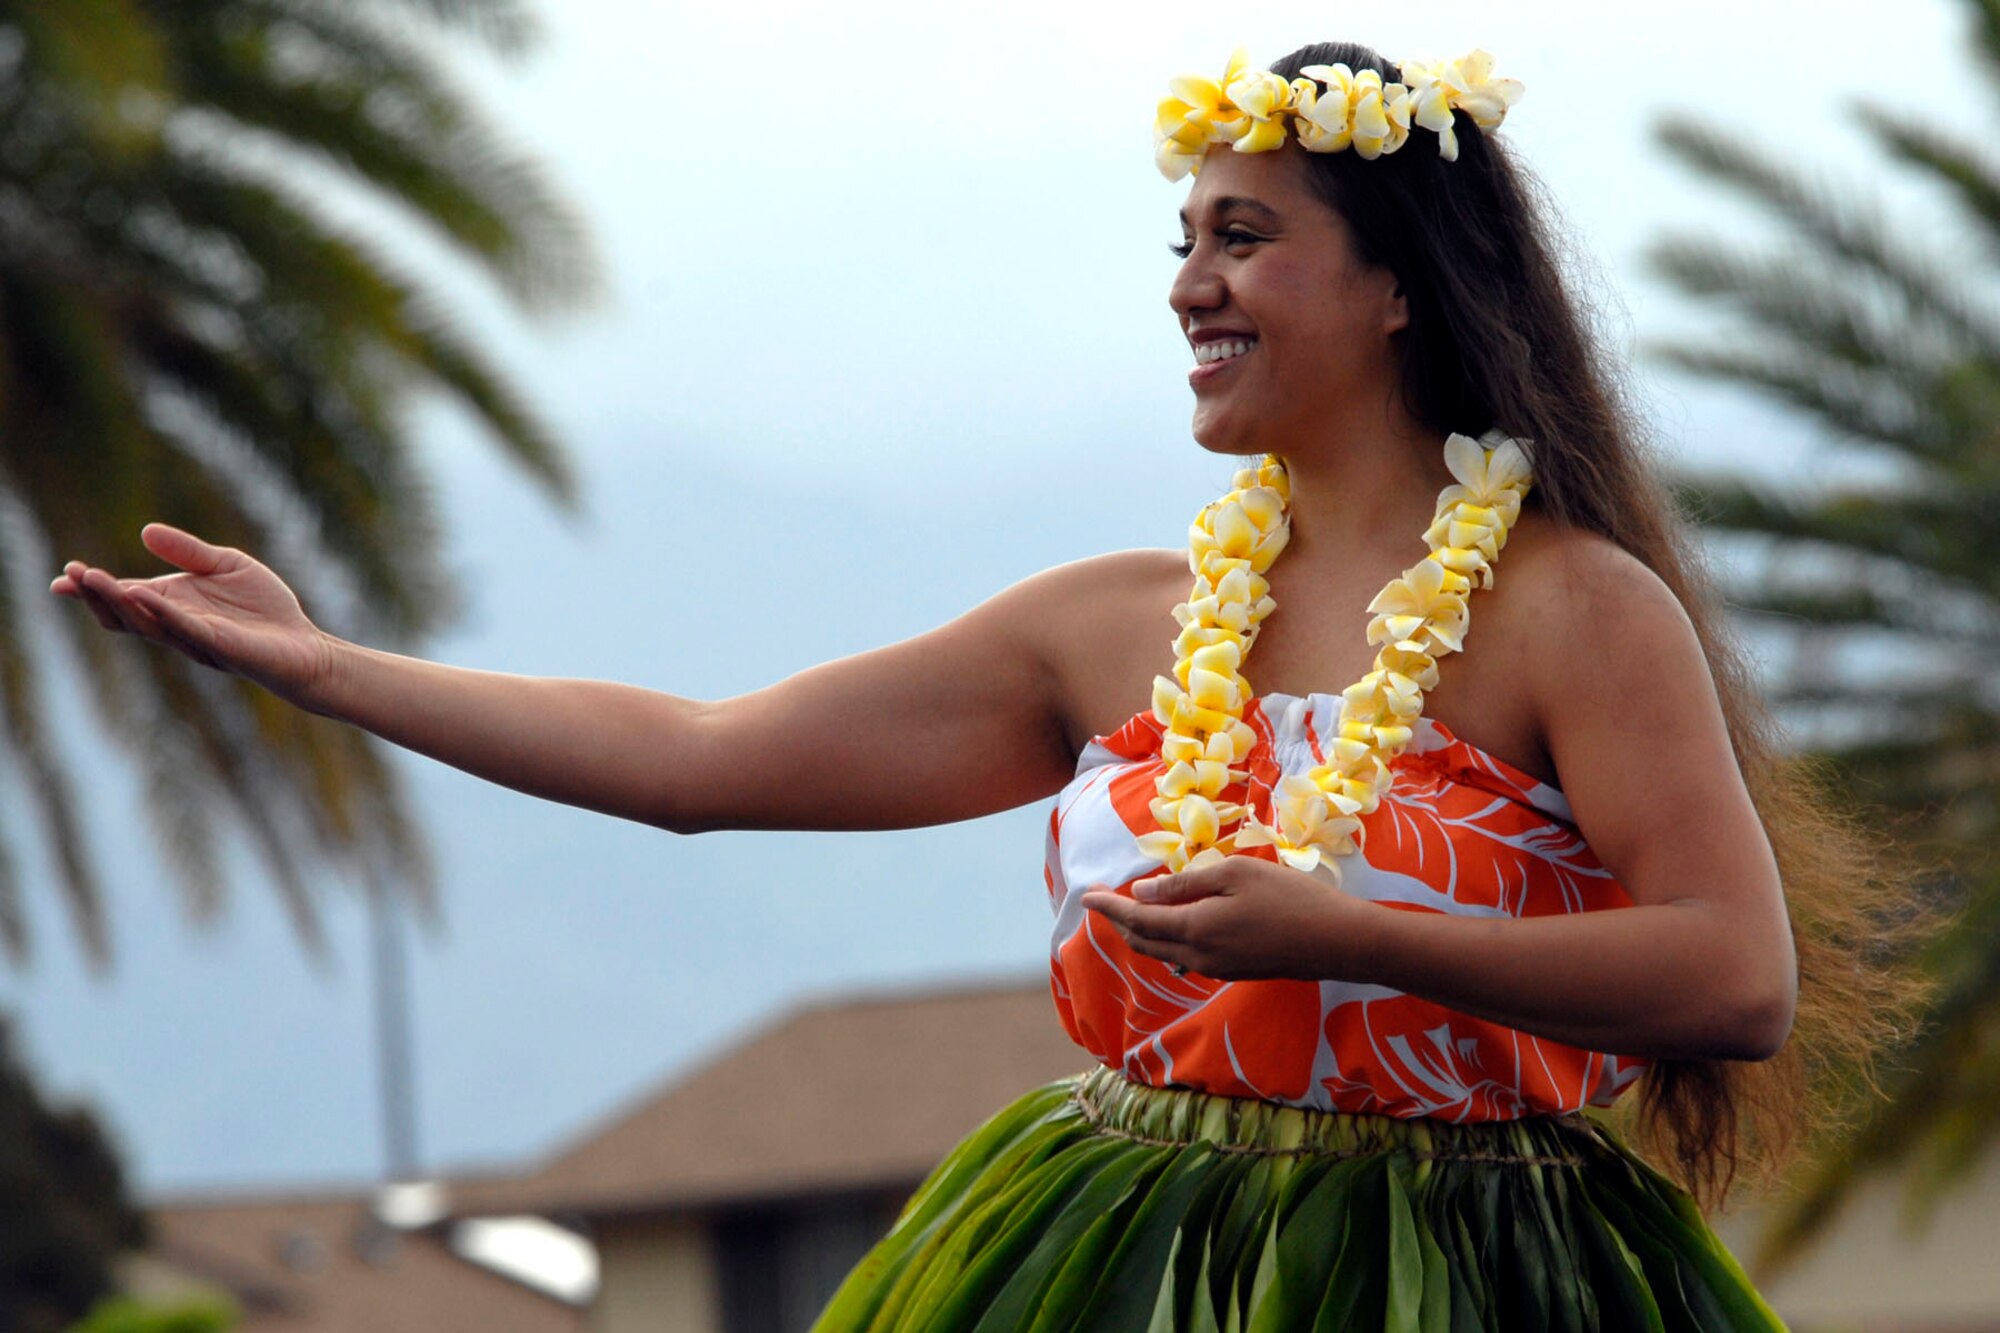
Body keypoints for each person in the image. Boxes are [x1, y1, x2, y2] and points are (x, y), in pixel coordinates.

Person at [53, 38, 1908, 1332]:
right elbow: (700, 759)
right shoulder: (1113, 625)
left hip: (1463, 1266)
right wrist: (329, 668)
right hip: (1117, 1248)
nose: (1190, 283)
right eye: (1181, 241)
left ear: (1403, 281)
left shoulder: (1574, 613)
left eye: (1242, 236)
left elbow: (1732, 976)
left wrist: (1357, 931)